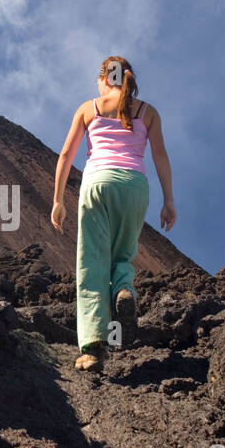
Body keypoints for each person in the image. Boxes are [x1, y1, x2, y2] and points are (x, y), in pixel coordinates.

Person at [51, 56, 176, 371]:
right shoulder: (148, 112)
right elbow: (160, 155)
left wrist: (57, 200)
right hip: (135, 186)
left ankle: (93, 348)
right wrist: (169, 201)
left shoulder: (88, 108)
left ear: (103, 78)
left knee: (93, 261)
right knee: (124, 255)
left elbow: (66, 154)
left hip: (98, 184)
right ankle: (123, 290)